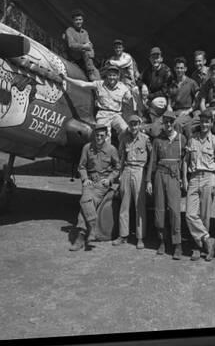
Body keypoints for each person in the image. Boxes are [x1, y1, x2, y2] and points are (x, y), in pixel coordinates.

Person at [70, 124, 120, 251]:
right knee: (85, 200)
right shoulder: (87, 148)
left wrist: (109, 180)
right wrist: (85, 178)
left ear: (106, 136)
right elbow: (81, 166)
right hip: (90, 181)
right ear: (94, 136)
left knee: (87, 201)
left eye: (101, 136)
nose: (99, 138)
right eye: (97, 135)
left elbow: (118, 168)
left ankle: (81, 236)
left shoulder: (111, 149)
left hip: (102, 183)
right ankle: (92, 228)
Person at [182, 110, 215, 262]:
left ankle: (199, 248)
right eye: (202, 121)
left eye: (207, 121)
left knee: (205, 216)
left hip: (208, 177)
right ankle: (208, 240)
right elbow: (186, 161)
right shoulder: (192, 139)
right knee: (190, 214)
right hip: (194, 178)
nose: (204, 124)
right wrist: (185, 179)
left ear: (212, 123)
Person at [146, 111, 186, 260]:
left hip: (174, 176)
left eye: (171, 122)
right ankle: (162, 240)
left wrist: (184, 178)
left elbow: (186, 161)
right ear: (163, 123)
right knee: (159, 209)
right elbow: (152, 162)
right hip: (159, 176)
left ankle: (177, 244)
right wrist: (149, 180)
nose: (168, 124)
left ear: (174, 122)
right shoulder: (158, 140)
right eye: (166, 122)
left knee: (175, 211)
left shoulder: (182, 139)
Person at [62, 64, 132, 139]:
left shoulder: (123, 87)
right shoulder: (99, 84)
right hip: (103, 114)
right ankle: (103, 149)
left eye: (114, 75)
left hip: (116, 115)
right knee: (102, 135)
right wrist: (66, 78)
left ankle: (123, 148)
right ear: (107, 76)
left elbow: (130, 100)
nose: (112, 77)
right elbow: (83, 84)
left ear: (118, 76)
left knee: (125, 130)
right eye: (110, 75)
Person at [113, 115, 152, 249]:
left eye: (136, 124)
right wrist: (120, 175)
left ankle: (140, 237)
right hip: (127, 170)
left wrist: (148, 179)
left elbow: (152, 158)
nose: (134, 127)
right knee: (124, 204)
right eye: (131, 124)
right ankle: (123, 235)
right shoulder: (124, 139)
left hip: (140, 171)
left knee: (139, 205)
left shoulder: (145, 139)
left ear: (140, 125)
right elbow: (121, 157)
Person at [63, 9, 100, 80]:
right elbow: (71, 45)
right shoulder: (69, 30)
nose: (78, 22)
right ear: (73, 21)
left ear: (82, 20)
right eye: (76, 20)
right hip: (74, 58)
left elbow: (90, 45)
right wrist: (83, 46)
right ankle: (90, 73)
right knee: (85, 51)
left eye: (80, 19)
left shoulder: (84, 32)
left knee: (97, 73)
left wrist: (89, 50)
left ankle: (95, 80)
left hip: (86, 59)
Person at [140, 47, 173, 122]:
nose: (155, 60)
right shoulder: (147, 70)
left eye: (157, 58)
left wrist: (149, 98)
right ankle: (144, 114)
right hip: (148, 96)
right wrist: (143, 85)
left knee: (158, 103)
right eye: (153, 58)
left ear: (161, 59)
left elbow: (164, 91)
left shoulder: (167, 71)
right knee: (135, 90)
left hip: (160, 98)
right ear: (150, 59)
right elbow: (138, 80)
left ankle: (156, 118)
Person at [168, 56, 199, 133]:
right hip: (174, 112)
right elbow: (169, 100)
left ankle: (178, 144)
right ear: (174, 69)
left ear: (185, 69)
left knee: (176, 123)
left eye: (181, 68)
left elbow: (198, 100)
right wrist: (169, 109)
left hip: (185, 113)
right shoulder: (172, 84)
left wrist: (189, 111)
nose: (179, 70)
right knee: (160, 124)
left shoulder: (191, 83)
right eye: (177, 68)